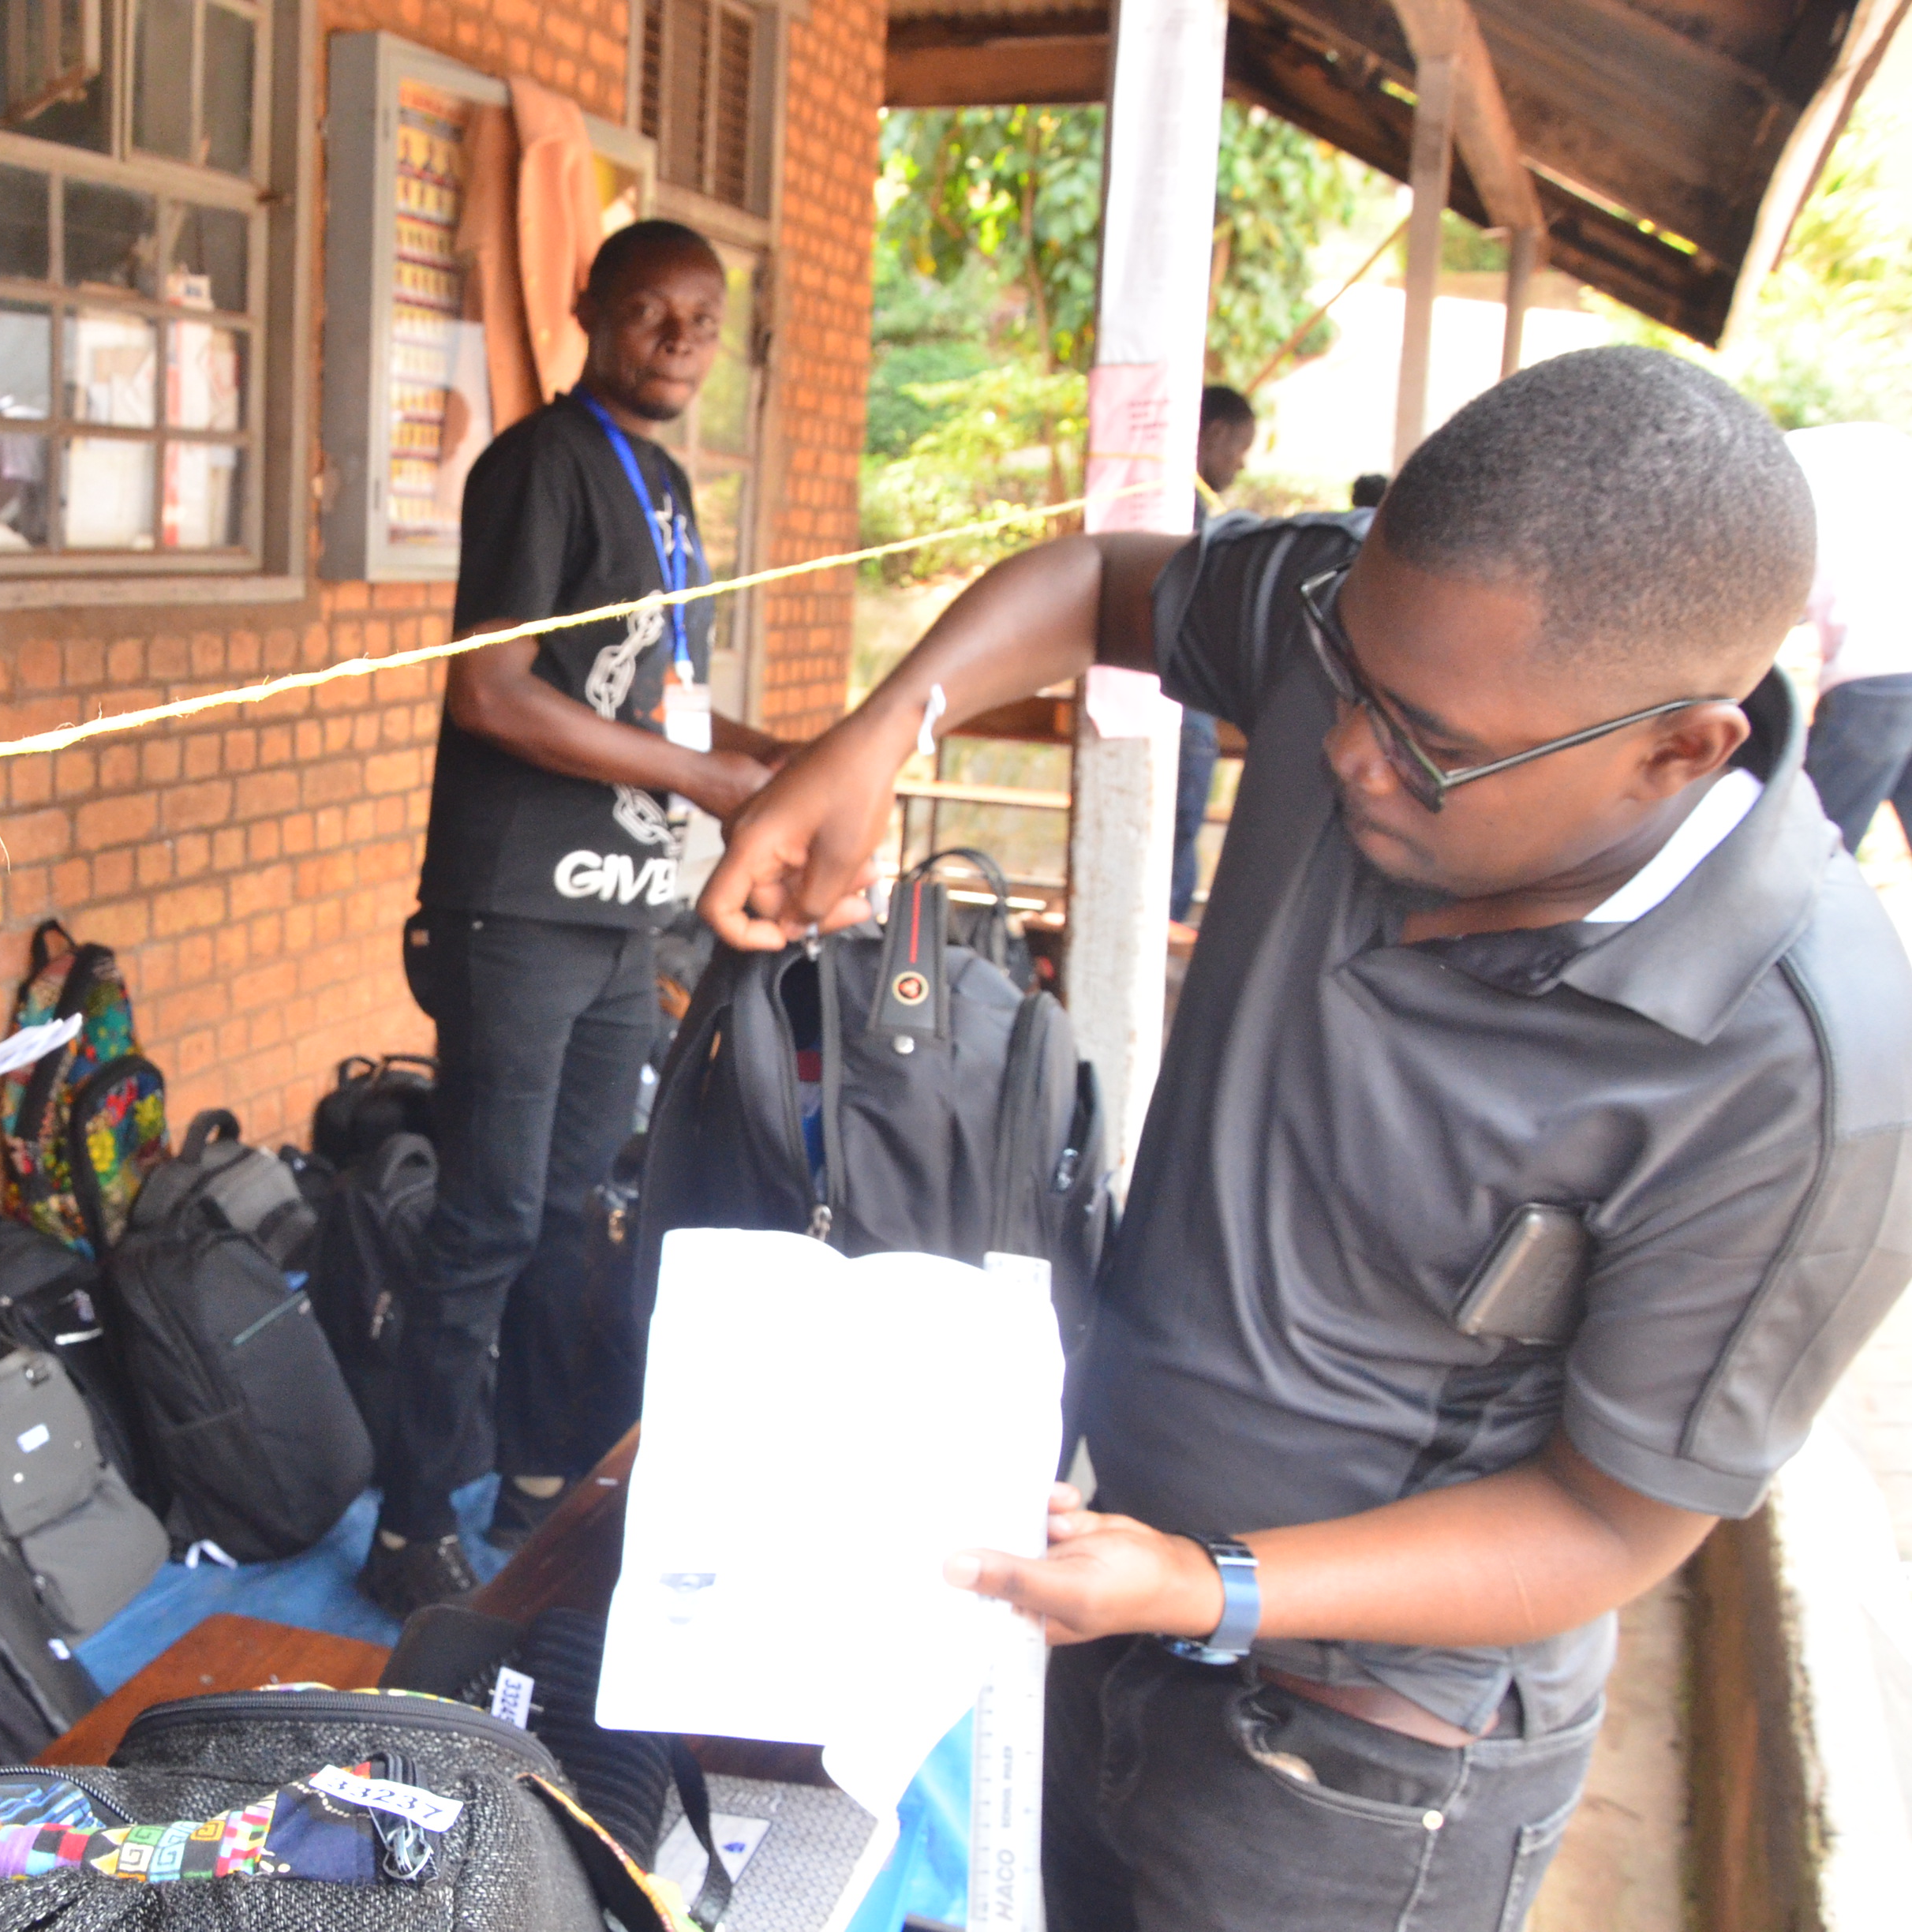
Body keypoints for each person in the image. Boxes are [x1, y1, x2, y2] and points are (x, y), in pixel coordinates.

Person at [701, 346, 1912, 1930]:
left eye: (1425, 744)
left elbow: (1608, 1522)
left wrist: (1214, 1586)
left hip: (1354, 1773)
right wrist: (876, 734)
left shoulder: (1804, 1071)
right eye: (1341, 681)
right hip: (1106, 1597)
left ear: (1676, 750)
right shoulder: (1381, 644)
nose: (1344, 750)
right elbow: (1093, 584)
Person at [361, 219, 790, 1616]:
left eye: (702, 320)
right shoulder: (541, 464)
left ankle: (545, 1471)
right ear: (588, 310)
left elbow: (645, 701)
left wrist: (773, 753)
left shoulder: (663, 483)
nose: (679, 339)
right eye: (652, 312)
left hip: (622, 911)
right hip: (518, 910)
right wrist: (702, 775)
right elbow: (487, 691)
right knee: (484, 1213)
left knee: (568, 1205)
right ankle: (412, 1522)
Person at [1786, 422, 1912, 851]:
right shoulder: (1878, 451)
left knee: (1809, 846)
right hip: (1892, 663)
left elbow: (1766, 603)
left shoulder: (1777, 473)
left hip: (1878, 673)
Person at [1171, 384, 1257, 922]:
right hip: (1183, 710)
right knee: (1174, 850)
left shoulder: (1186, 508)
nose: (1241, 463)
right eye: (1239, 447)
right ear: (1215, 434)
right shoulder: (1186, 512)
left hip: (1182, 710)